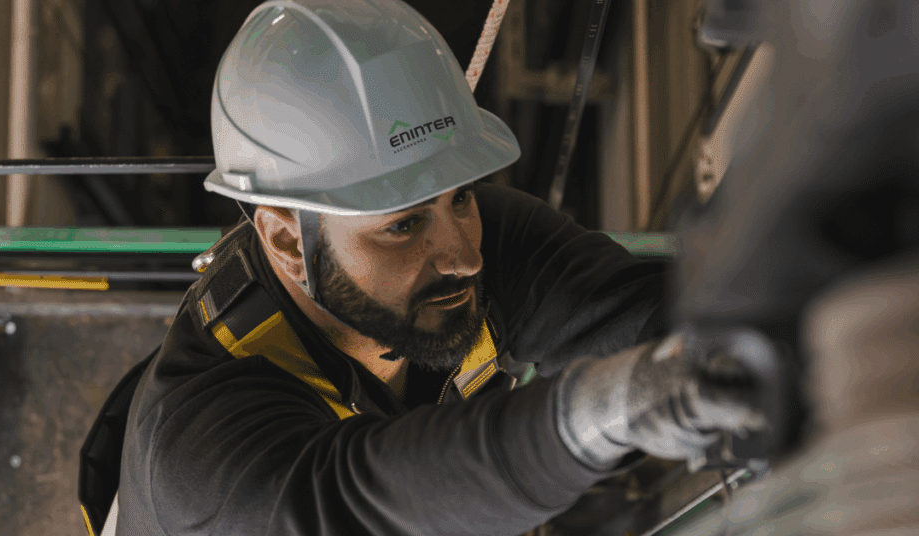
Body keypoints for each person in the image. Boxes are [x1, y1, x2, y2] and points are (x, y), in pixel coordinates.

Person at [88, 0, 765, 534]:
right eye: (403, 224)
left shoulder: (468, 243)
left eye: (460, 196)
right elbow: (363, 507)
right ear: (289, 242)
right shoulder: (201, 456)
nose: (465, 256)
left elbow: (637, 313)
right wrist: (597, 414)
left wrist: (749, 353)